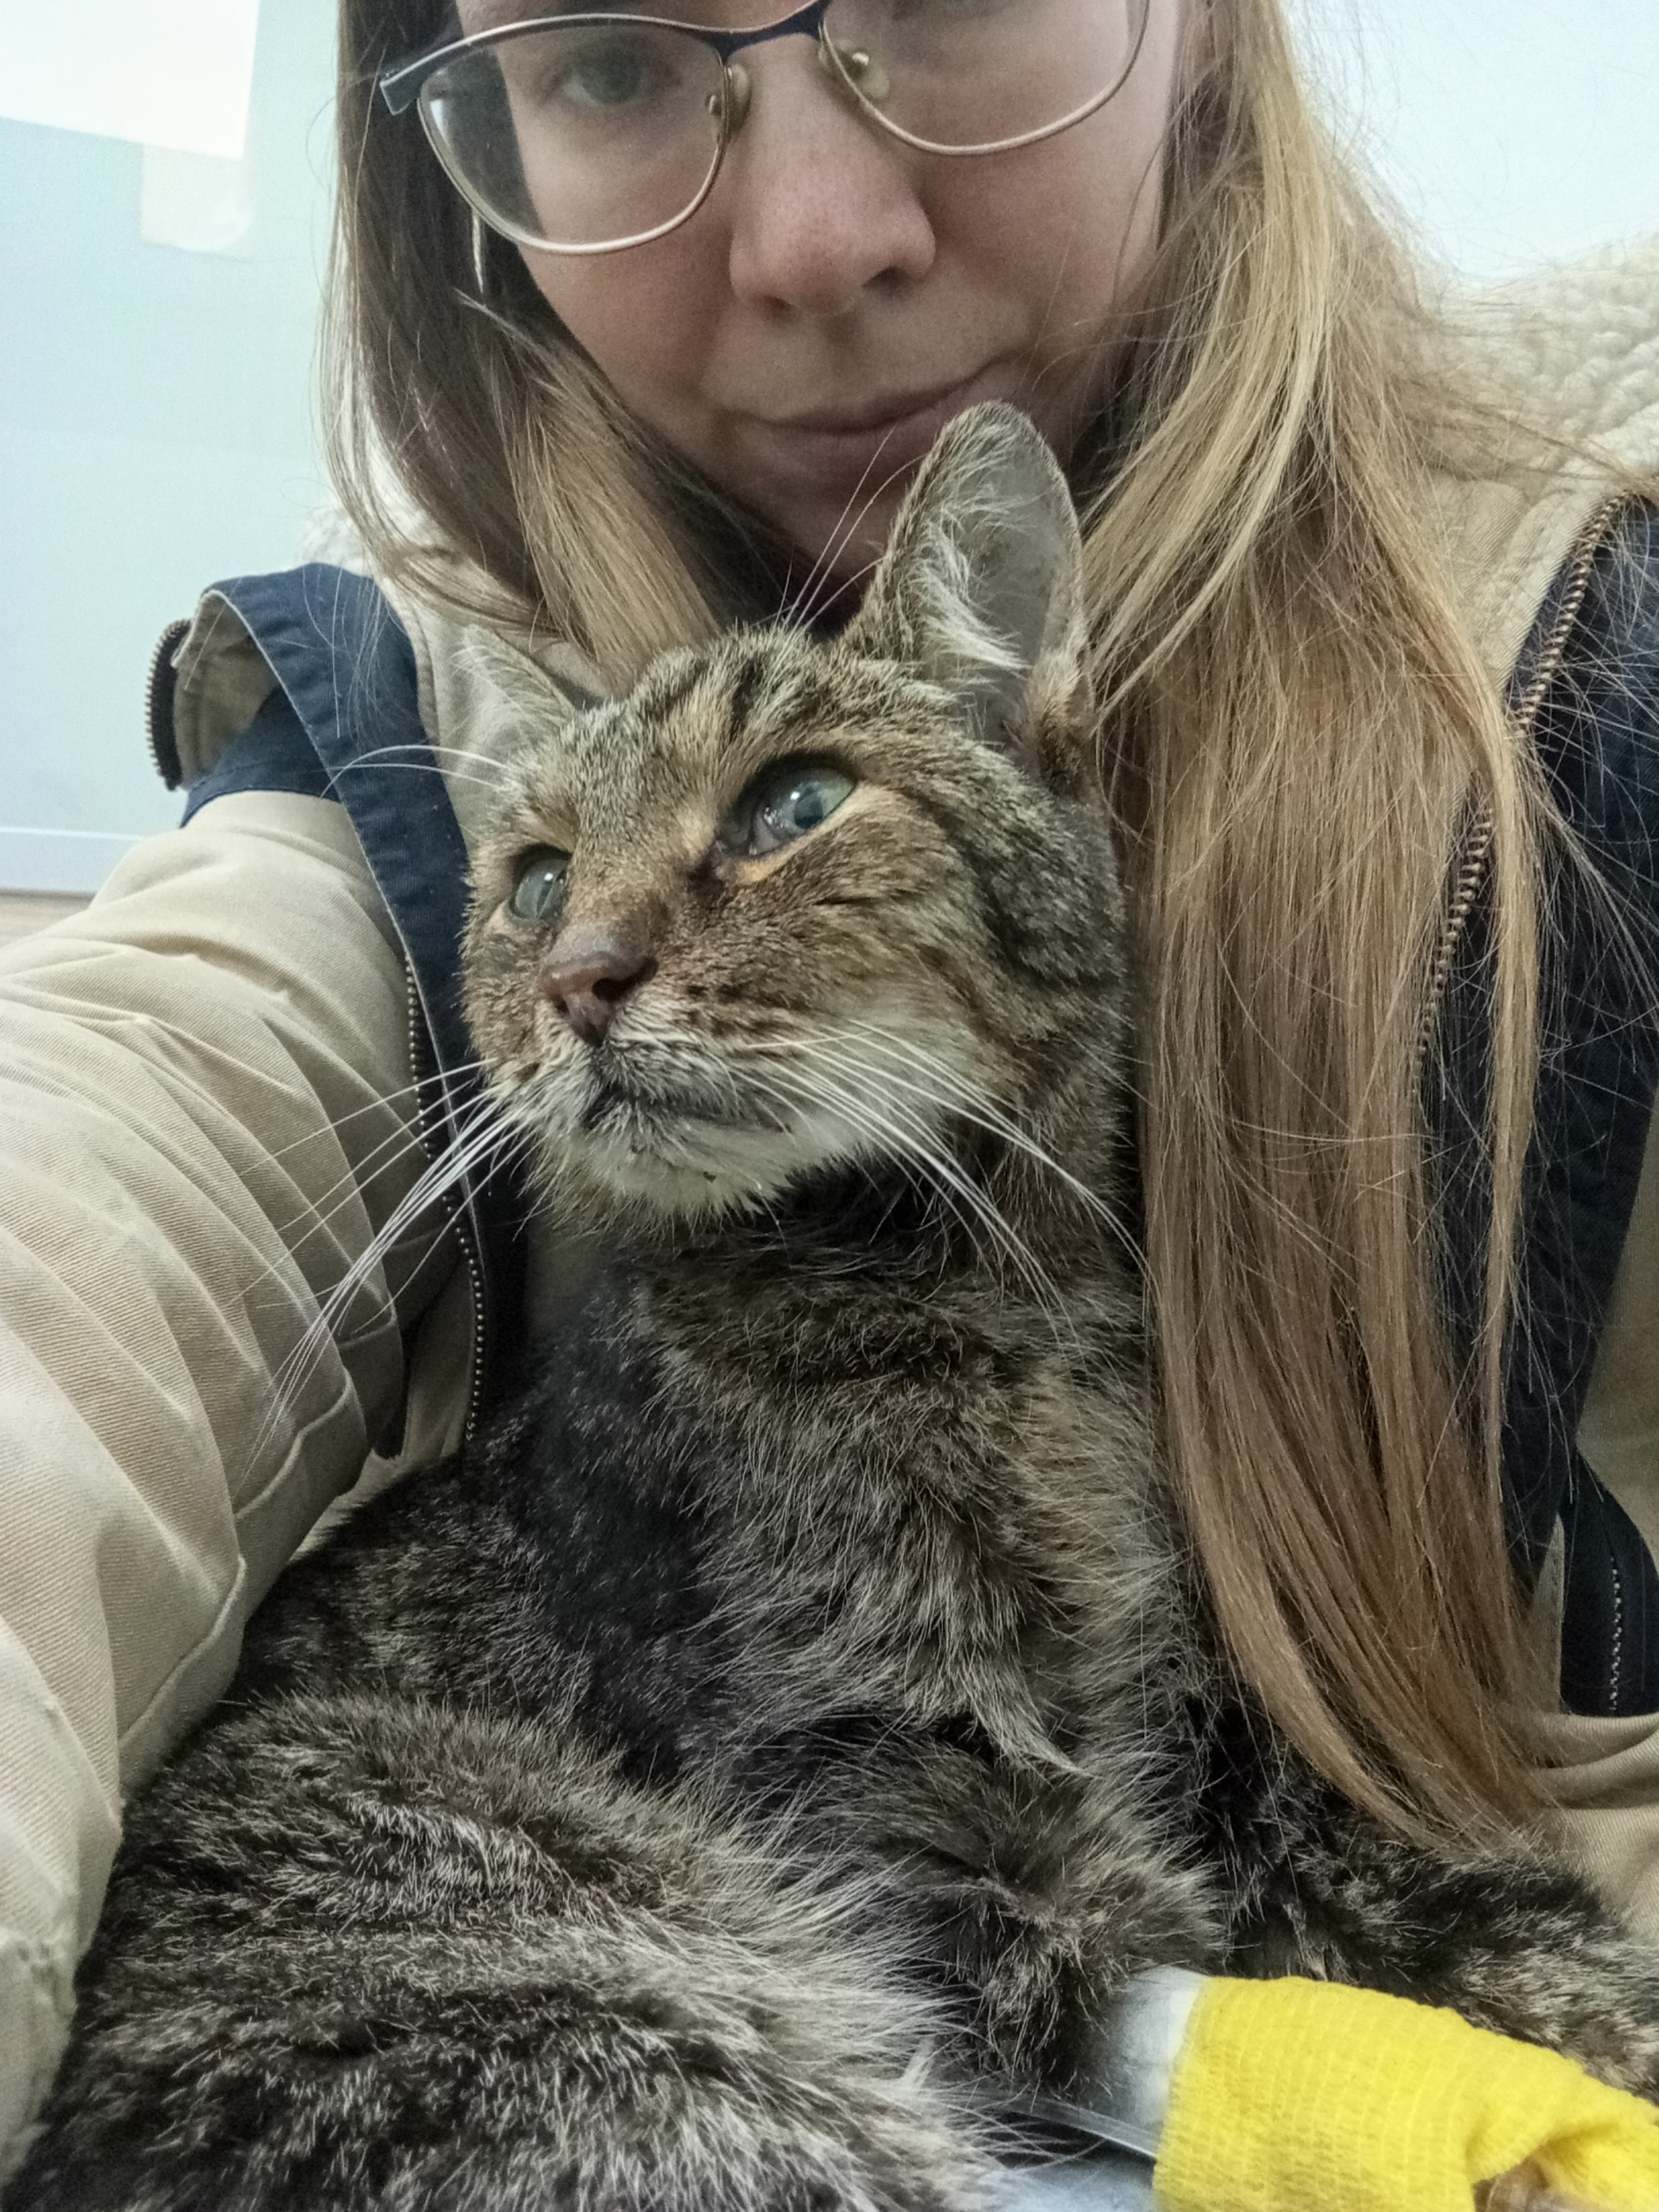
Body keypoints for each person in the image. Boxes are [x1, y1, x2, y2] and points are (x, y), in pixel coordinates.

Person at [2, 0, 1657, 2174]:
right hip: (495, 1976)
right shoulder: (389, 720)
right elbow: (96, 1193)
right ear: (457, 150)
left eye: (944, 2)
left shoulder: (1593, 621)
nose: (812, 236)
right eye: (607, 60)